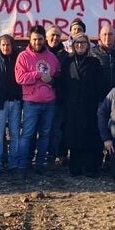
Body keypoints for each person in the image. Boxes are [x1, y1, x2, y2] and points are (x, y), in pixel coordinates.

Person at [15, 25, 60, 176]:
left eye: (40, 39)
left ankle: (40, 163)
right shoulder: (23, 56)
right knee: (27, 134)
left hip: (49, 102)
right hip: (31, 102)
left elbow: (58, 75)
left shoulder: (52, 57)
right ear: (30, 39)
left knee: (45, 134)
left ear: (44, 39)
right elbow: (19, 78)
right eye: (34, 39)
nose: (37, 42)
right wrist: (37, 74)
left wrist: (52, 80)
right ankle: (22, 165)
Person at [62, 33, 104, 177]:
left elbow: (100, 85)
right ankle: (76, 166)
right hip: (72, 106)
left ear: (87, 45)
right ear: (73, 45)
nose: (80, 45)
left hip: (89, 106)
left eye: (83, 43)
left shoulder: (94, 62)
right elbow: (63, 84)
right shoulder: (67, 62)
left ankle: (90, 167)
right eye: (77, 43)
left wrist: (99, 103)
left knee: (89, 135)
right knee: (74, 136)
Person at [0, 34, 23, 176]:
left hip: (15, 101)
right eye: (3, 45)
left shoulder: (18, 60)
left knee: (15, 134)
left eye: (8, 44)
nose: (6, 47)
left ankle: (14, 163)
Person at [46, 25, 69, 165]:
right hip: (40, 98)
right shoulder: (39, 53)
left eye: (58, 36)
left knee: (58, 129)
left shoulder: (65, 55)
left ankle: (57, 155)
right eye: (52, 35)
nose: (55, 38)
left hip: (59, 97)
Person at [91, 25, 115, 98]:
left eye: (110, 34)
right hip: (99, 96)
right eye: (104, 34)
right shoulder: (92, 52)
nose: (107, 37)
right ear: (99, 36)